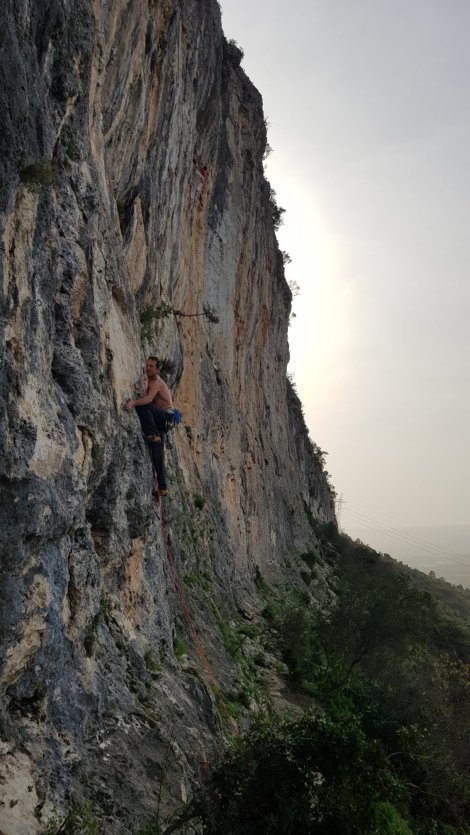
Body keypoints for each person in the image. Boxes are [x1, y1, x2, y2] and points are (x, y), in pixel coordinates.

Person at [126, 356, 174, 495]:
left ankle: (153, 434)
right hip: (164, 420)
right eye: (147, 365)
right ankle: (163, 488)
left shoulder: (156, 382)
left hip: (165, 416)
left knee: (144, 405)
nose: (148, 368)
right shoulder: (151, 381)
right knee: (157, 453)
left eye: (151, 366)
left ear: (158, 370)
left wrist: (134, 403)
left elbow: (148, 399)